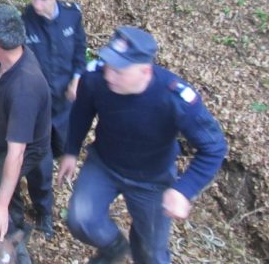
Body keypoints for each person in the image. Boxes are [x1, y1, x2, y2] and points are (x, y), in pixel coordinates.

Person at [57, 26, 227, 264]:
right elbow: (81, 113)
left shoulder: (175, 98)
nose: (109, 75)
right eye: (108, 65)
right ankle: (114, 248)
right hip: (104, 164)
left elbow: (214, 148)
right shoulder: (95, 78)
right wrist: (71, 151)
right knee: (81, 220)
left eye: (119, 71)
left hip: (152, 180)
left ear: (144, 70)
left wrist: (183, 190)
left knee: (152, 253)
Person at [0, 4, 51, 263]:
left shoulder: (25, 87)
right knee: (5, 187)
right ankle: (15, 220)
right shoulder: (0, 58)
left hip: (23, 149)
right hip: (1, 138)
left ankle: (13, 247)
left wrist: (0, 206)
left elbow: (16, 155)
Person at [20, 0, 87, 239]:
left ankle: (72, 189)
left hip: (67, 103)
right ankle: (44, 211)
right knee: (41, 165)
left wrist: (78, 78)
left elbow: (80, 49)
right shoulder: (26, 21)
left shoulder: (72, 15)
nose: (38, 5)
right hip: (39, 107)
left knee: (66, 150)